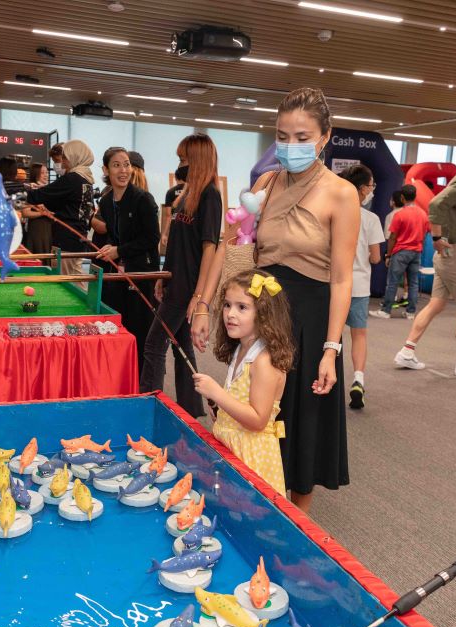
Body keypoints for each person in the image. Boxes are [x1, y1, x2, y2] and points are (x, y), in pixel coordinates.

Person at [193, 87, 359, 512]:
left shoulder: (341, 193)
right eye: (282, 136)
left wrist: (330, 348)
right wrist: (204, 304)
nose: (291, 146)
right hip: (261, 312)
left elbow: (342, 279)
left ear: (325, 136)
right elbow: (229, 248)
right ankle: (254, 503)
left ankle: (294, 523)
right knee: (248, 408)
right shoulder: (266, 181)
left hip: (310, 315)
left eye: (302, 138)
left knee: (301, 424)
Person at [393, 137, 456, 382]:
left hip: (451, 249)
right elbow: (436, 203)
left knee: (437, 303)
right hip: (455, 248)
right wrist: (438, 237)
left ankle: (407, 351)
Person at [140, 133, 222, 418]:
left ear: (197, 160)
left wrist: (199, 298)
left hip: (188, 287)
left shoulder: (210, 195)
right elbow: (176, 245)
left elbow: (209, 249)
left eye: (183, 159)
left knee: (154, 345)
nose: (180, 165)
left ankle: (147, 405)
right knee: (181, 347)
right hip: (175, 281)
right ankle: (192, 411)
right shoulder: (186, 194)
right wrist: (163, 276)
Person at [192, 270, 294, 495]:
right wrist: (223, 411)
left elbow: (258, 420)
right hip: (234, 448)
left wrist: (218, 393)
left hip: (252, 457)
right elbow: (241, 403)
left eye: (242, 307)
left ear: (264, 314)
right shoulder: (242, 349)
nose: (230, 314)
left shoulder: (264, 361)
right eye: (227, 305)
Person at [95, 147, 161, 373]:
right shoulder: (105, 202)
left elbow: (153, 239)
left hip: (140, 275)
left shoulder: (143, 199)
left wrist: (120, 250)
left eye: (126, 165)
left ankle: (142, 381)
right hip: (116, 275)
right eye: (116, 165)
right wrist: (110, 249)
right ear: (106, 169)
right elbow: (114, 236)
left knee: (139, 332)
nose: (123, 170)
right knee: (115, 326)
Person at [337, 165, 383, 411]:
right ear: (363, 189)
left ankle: (324, 378)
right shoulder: (370, 219)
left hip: (332, 284)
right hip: (359, 286)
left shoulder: (334, 213)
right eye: (372, 185)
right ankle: (358, 380)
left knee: (331, 336)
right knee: (359, 335)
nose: (372, 190)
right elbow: (375, 257)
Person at [22, 140, 95, 279]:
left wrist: (17, 194)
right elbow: (61, 202)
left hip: (67, 239)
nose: (63, 162)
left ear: (75, 157)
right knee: (73, 277)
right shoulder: (86, 179)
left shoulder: (72, 178)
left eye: (65, 158)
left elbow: (40, 195)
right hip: (76, 238)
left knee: (67, 280)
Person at [372, 184, 428, 319]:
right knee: (413, 283)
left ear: (402, 197)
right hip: (416, 251)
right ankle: (410, 312)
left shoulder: (400, 214)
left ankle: (386, 310)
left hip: (401, 251)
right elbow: (425, 235)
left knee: (392, 282)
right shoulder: (423, 214)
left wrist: (388, 254)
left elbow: (392, 237)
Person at [161, 165, 186, 254]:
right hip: (188, 226)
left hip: (175, 227)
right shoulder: (191, 191)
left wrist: (164, 234)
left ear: (176, 177)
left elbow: (168, 215)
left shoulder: (170, 192)